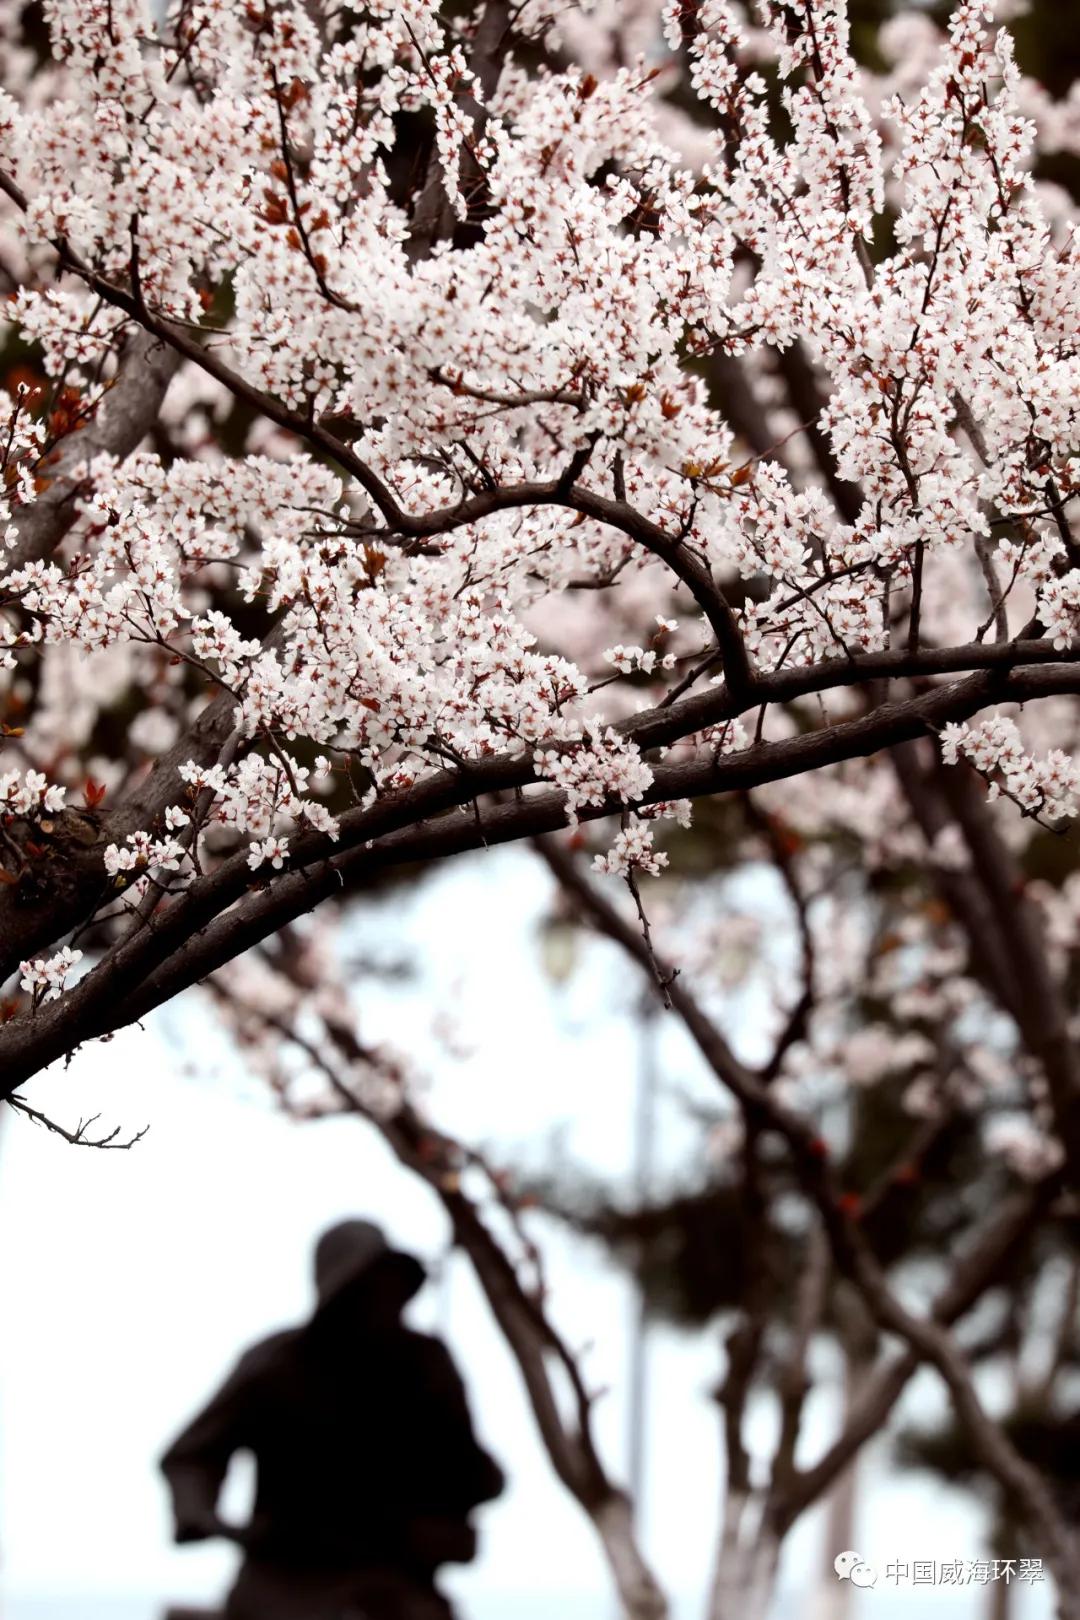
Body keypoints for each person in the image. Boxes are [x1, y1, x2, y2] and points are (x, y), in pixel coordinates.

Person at [161, 1220, 505, 1620]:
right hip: (287, 1579)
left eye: (388, 1288)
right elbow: (191, 1456)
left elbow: (478, 1477)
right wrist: (200, 1513)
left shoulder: (425, 1364)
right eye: (366, 1289)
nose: (381, 1304)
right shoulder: (277, 1363)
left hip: (394, 1577)